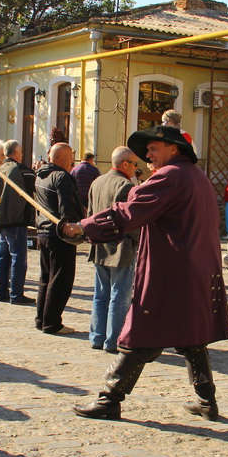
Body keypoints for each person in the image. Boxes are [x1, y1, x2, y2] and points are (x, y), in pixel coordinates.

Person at [65, 125, 228, 421]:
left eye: (153, 149)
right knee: (191, 338)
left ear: (174, 148)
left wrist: (84, 227)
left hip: (172, 272)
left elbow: (130, 210)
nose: (147, 156)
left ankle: (109, 399)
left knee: (141, 334)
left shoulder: (171, 176)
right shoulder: (197, 177)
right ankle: (207, 401)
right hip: (195, 270)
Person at [86, 146, 140, 353]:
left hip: (99, 245)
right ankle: (113, 339)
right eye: (135, 164)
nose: (136, 169)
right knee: (120, 294)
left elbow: (90, 215)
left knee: (101, 294)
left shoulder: (97, 182)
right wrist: (137, 242)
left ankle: (97, 337)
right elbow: (131, 221)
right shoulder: (125, 186)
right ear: (124, 164)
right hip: (120, 247)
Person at [35, 142, 83, 334]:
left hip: (43, 231)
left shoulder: (41, 175)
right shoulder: (61, 176)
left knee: (46, 278)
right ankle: (52, 323)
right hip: (59, 233)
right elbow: (66, 208)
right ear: (62, 158)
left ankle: (42, 319)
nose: (73, 160)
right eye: (71, 156)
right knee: (60, 280)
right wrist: (75, 227)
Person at [0, 140, 36, 304]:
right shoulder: (19, 169)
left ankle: (0, 292)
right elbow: (36, 183)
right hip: (15, 219)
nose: (22, 155)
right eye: (21, 152)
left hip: (1, 220)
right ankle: (16, 294)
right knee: (18, 258)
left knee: (3, 258)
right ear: (16, 153)